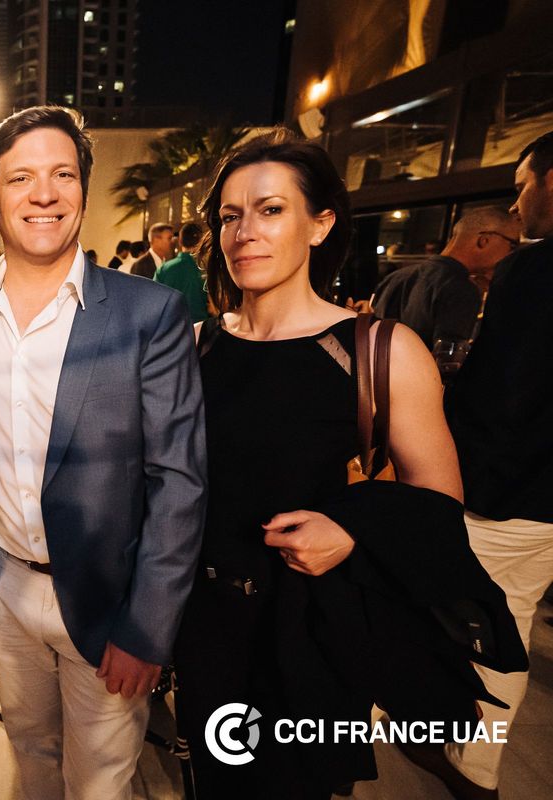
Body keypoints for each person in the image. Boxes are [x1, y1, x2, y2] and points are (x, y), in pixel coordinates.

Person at [174, 129, 524, 799]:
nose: (245, 232)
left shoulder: (381, 349)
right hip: (206, 626)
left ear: (321, 223)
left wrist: (351, 528)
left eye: (271, 209)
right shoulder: (194, 347)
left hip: (315, 628)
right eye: (230, 215)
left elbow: (439, 502)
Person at [0, 105, 207, 800]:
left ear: (83, 192)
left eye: (63, 174)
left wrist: (147, 628)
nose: (44, 193)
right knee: (31, 759)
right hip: (7, 589)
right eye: (20, 177)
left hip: (107, 599)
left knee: (99, 783)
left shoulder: (149, 313)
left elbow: (178, 481)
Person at [433, 131, 553, 800]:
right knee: (512, 622)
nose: (517, 204)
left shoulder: (533, 272)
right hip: (545, 503)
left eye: (522, 185)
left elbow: (502, 394)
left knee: (456, 616)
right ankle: (471, 760)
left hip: (506, 492)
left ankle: (458, 758)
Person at [372, 206, 519, 349]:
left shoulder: (394, 277)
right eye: (512, 246)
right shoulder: (461, 288)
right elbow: (447, 357)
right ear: (484, 240)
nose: (512, 254)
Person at [154, 220, 209, 322]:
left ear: (180, 242)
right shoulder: (206, 268)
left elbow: (155, 302)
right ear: (201, 242)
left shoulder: (164, 269)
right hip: (202, 326)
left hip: (171, 326)